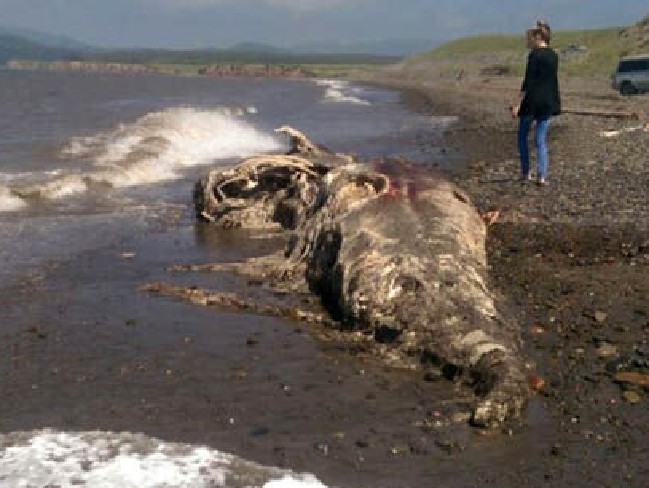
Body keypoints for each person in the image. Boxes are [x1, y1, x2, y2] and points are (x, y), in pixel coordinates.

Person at [510, 20, 561, 185]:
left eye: (530, 37)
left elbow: (528, 81)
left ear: (538, 37)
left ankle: (526, 172)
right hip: (548, 101)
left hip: (532, 102)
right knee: (541, 139)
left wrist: (517, 104)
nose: (528, 40)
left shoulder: (534, 55)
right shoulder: (554, 55)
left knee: (522, 137)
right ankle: (542, 175)